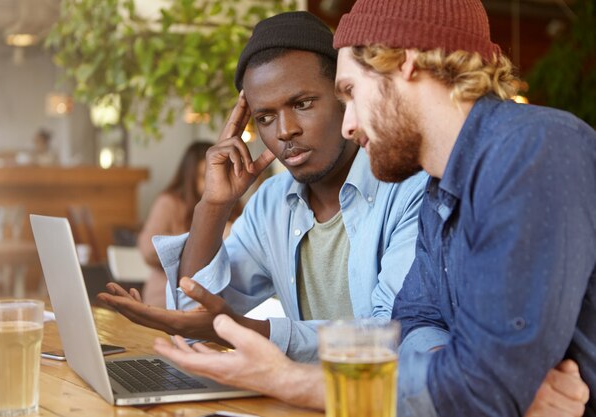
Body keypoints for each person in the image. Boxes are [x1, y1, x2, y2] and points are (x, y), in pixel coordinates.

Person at [152, 2, 595, 416]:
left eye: (350, 92)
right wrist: (455, 373)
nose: (348, 123)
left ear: (405, 62)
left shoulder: (535, 150)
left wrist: (287, 379)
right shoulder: (444, 188)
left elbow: (486, 386)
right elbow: (415, 324)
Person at [99, 11, 427, 361]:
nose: (285, 131)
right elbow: (190, 312)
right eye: (265, 118)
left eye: (302, 104)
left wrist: (236, 328)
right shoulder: (272, 202)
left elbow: (393, 334)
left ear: (344, 96)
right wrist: (214, 203)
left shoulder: (409, 187)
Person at [137, 141, 242, 307]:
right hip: (169, 300)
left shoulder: (232, 206)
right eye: (204, 177)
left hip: (220, 302)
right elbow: (148, 249)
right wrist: (208, 236)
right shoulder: (170, 203)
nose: (213, 182)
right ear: (189, 177)